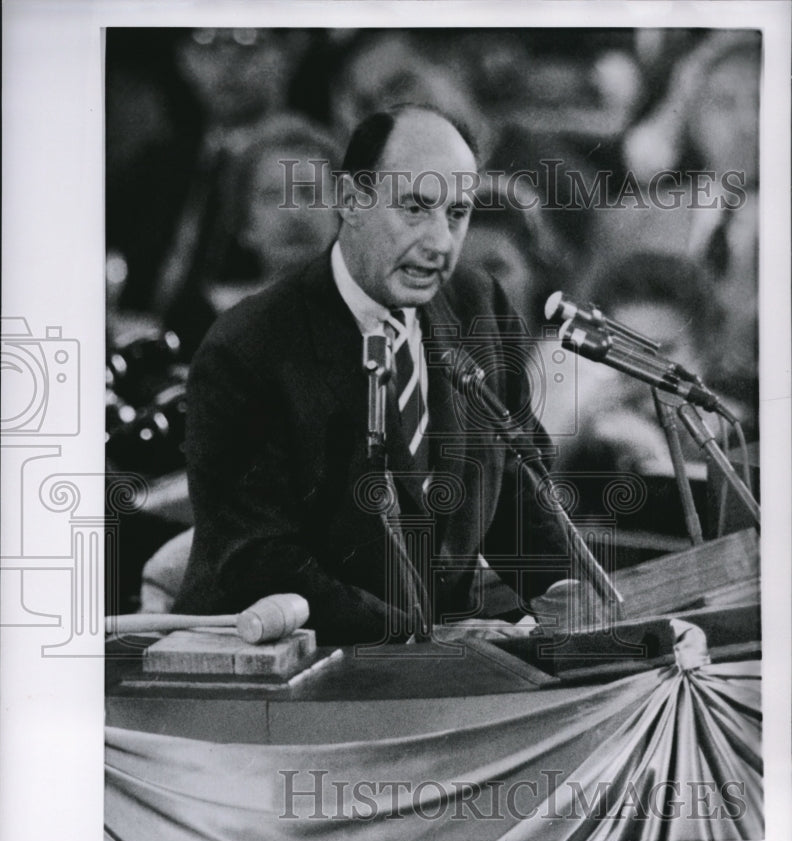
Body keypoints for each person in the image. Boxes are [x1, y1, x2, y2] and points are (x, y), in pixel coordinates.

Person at [174, 105, 570, 644]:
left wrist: (586, 609)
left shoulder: (481, 306)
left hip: (443, 674)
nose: (440, 243)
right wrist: (422, 644)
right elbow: (261, 559)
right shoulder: (246, 348)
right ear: (350, 200)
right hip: (282, 678)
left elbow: (521, 498)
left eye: (457, 213)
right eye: (415, 208)